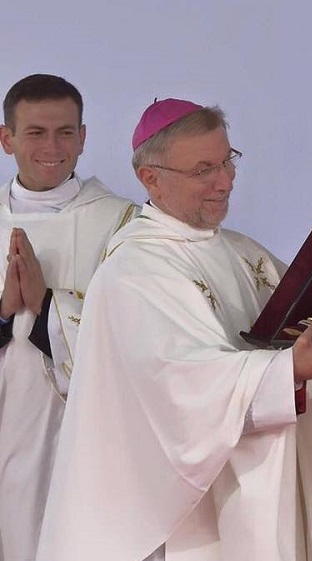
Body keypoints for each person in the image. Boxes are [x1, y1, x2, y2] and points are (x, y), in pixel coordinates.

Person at [36, 98, 312, 561]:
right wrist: (288, 369)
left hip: (268, 485)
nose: (225, 181)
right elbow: (180, 388)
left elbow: (305, 333)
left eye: (228, 161)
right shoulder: (134, 271)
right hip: (193, 517)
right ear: (151, 178)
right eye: (204, 169)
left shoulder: (243, 252)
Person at [0, 73, 136, 561]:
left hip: (84, 424)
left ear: (83, 137)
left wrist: (47, 308)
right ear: (6, 138)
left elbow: (136, 327)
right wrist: (3, 316)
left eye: (66, 132)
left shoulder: (124, 223)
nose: (52, 146)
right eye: (35, 132)